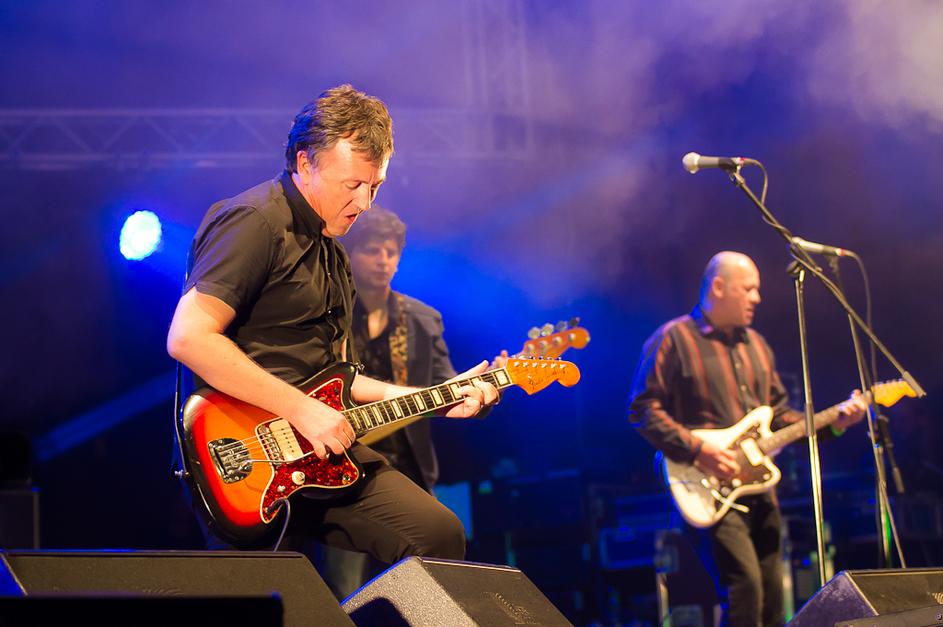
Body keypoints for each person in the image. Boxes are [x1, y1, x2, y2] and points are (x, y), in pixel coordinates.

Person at [167, 85, 499, 563]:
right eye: (353, 185)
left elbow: (341, 382)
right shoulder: (254, 221)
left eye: (375, 186)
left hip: (321, 452)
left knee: (437, 534)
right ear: (306, 163)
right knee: (276, 596)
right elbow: (189, 338)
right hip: (245, 461)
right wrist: (301, 409)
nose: (365, 202)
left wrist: (438, 398)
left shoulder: (334, 256)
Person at [628, 251, 867, 627]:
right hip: (707, 489)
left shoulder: (757, 345)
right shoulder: (673, 339)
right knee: (745, 588)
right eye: (749, 289)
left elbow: (779, 416)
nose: (757, 297)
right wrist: (699, 450)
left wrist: (836, 422)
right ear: (718, 287)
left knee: (773, 596)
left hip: (759, 490)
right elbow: (642, 409)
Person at [316, 205, 460, 598]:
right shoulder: (331, 313)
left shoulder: (422, 319)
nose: (383, 260)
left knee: (427, 591)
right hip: (344, 464)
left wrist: (488, 381)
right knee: (345, 590)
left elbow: (444, 387)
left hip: (409, 469)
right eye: (372, 250)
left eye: (391, 252)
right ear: (351, 254)